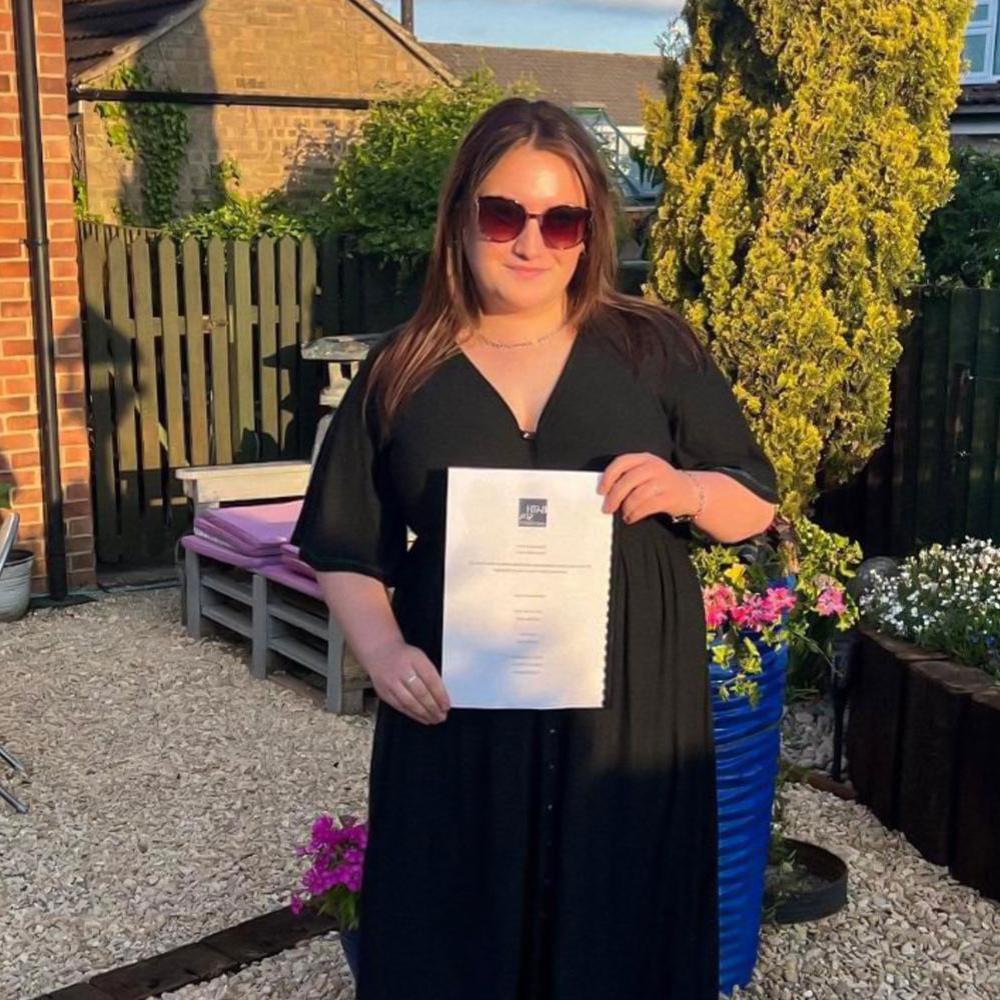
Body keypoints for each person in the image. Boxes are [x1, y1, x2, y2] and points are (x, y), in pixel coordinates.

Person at [291, 97, 778, 1000]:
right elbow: (345, 542)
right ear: (462, 218)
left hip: (628, 704)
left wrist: (686, 491)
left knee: (623, 916)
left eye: (561, 220)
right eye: (503, 214)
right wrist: (385, 650)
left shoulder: (651, 347)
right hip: (460, 711)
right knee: (453, 919)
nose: (531, 243)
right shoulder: (404, 369)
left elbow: (753, 497)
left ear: (590, 231)